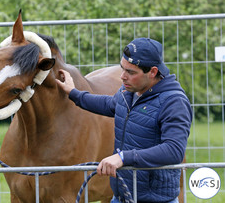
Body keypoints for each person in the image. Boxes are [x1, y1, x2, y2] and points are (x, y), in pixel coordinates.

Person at [56, 37, 192, 203]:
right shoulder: (130, 92)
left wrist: (123, 158)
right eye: (123, 69)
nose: (122, 76)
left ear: (153, 72)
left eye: (131, 72)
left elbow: (174, 150)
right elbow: (110, 104)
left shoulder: (174, 102)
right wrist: (73, 93)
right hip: (122, 196)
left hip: (154, 199)